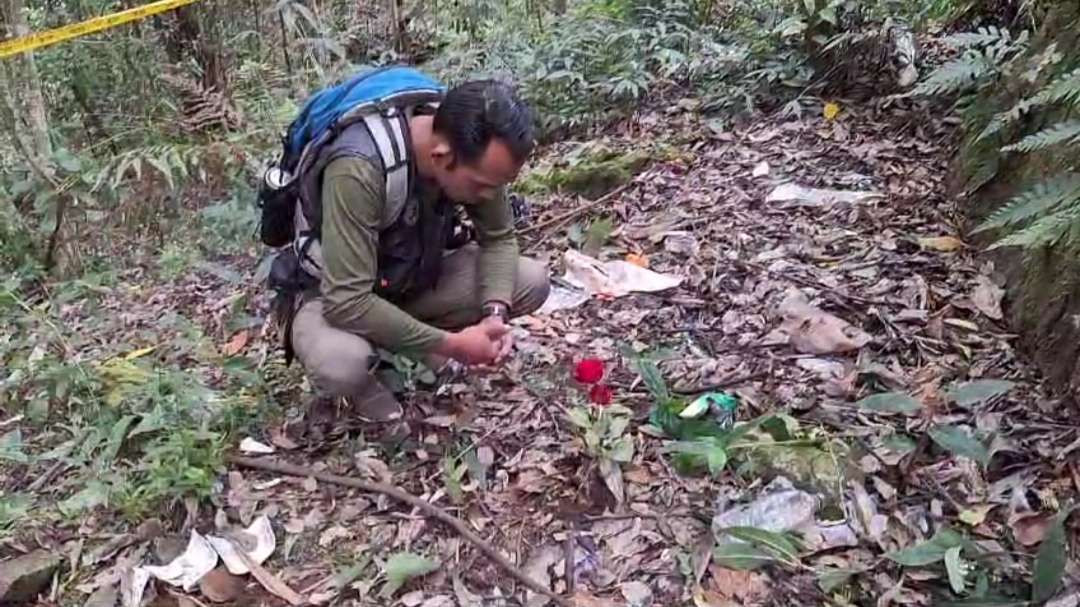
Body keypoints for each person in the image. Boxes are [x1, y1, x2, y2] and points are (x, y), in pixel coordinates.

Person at [287, 78, 550, 428]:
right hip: (331, 295)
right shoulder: (359, 167)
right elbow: (346, 300)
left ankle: (407, 343)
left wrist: (494, 315)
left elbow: (499, 238)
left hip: (407, 279)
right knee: (341, 363)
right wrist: (453, 344)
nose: (489, 197)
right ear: (441, 157)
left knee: (529, 280)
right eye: (482, 187)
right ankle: (373, 375)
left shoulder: (472, 151)